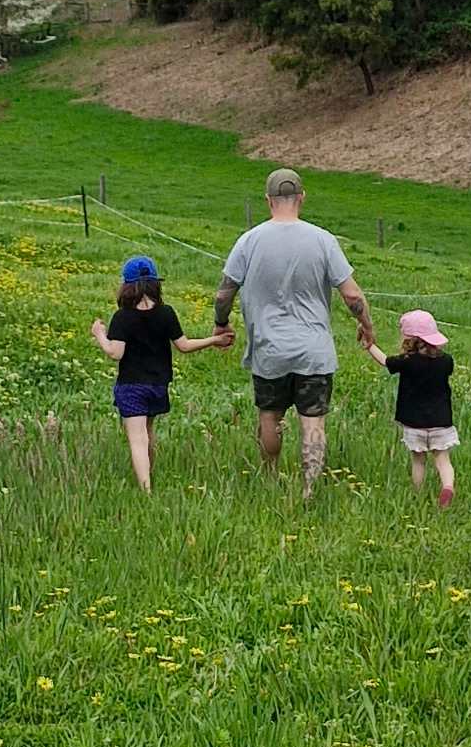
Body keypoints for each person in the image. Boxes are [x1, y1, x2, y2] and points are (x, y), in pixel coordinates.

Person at [213, 169, 376, 501]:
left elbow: (223, 293)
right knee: (313, 422)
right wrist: (366, 325)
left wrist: (221, 323)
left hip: (269, 349)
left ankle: (271, 477)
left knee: (269, 415)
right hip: (314, 350)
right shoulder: (322, 240)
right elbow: (353, 296)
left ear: (268, 200)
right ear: (301, 197)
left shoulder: (249, 240)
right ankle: (310, 487)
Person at [90, 254, 230, 492]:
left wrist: (99, 335)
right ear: (155, 284)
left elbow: (116, 353)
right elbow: (184, 346)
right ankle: (148, 475)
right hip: (158, 385)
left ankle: (146, 490)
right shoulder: (166, 313)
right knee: (148, 432)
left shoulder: (123, 316)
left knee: (137, 438)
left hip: (131, 385)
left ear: (126, 286)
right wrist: (214, 340)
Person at [369, 306, 458, 506]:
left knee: (418, 461)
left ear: (410, 340)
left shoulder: (407, 362)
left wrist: (369, 345)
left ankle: (417, 495)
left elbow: (384, 361)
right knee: (443, 460)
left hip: (414, 424)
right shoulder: (446, 361)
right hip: (442, 422)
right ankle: (448, 487)